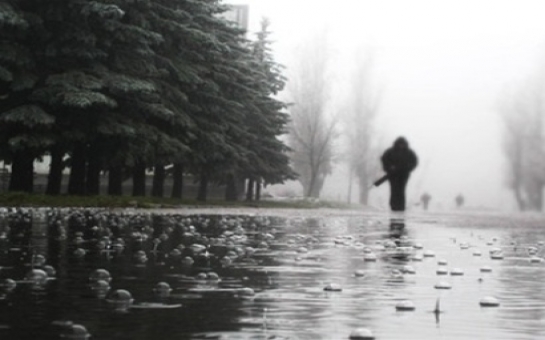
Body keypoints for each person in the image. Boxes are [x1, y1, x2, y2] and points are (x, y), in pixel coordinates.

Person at [381, 137, 418, 211]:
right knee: (394, 189)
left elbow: (414, 162)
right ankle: (393, 205)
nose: (401, 146)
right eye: (400, 144)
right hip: (393, 174)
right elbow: (384, 159)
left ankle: (401, 206)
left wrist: (408, 168)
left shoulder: (409, 152)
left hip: (403, 174)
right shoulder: (390, 152)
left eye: (402, 144)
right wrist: (389, 168)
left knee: (401, 190)